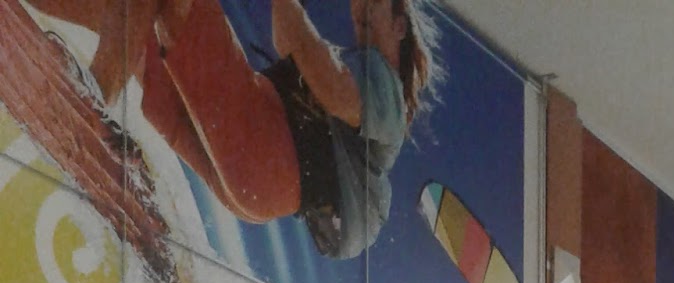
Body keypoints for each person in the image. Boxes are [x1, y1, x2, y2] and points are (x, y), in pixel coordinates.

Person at [39, 0, 433, 258]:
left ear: (399, 26)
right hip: (254, 181)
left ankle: (88, 101)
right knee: (135, 26)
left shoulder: (385, 87)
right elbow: (290, 41)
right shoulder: (356, 65)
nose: (360, 4)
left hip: (269, 153)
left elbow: (331, 88)